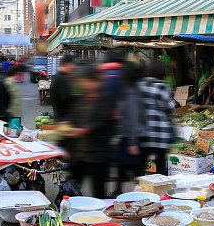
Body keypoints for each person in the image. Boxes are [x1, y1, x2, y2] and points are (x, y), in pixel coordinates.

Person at [68, 64, 114, 198]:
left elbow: (103, 122)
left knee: (98, 190)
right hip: (79, 153)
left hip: (98, 154)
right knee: (73, 188)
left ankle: (100, 216)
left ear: (96, 81)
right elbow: (73, 117)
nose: (84, 84)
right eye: (82, 81)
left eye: (87, 81)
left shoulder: (105, 99)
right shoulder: (80, 99)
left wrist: (83, 130)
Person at [113, 61, 146, 196]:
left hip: (130, 136)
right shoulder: (131, 89)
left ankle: (140, 194)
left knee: (130, 168)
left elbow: (132, 117)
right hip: (130, 135)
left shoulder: (129, 91)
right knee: (129, 167)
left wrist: (132, 142)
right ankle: (122, 191)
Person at [139, 59, 176, 176]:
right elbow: (171, 108)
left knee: (142, 164)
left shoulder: (140, 85)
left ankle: (141, 188)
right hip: (160, 134)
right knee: (160, 164)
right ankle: (160, 189)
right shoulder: (162, 87)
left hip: (144, 132)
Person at [50, 54, 76, 121]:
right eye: (72, 64)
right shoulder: (61, 78)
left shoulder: (58, 76)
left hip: (61, 117)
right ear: (68, 64)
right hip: (63, 119)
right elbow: (65, 98)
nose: (73, 67)